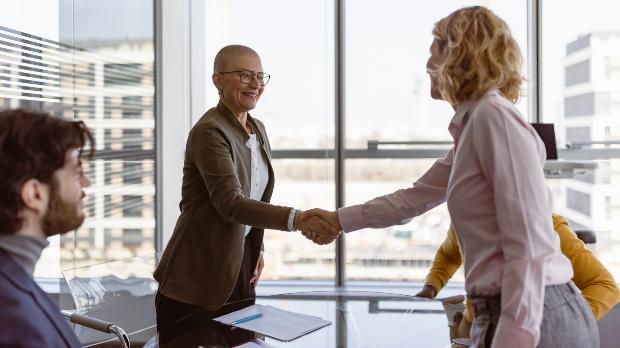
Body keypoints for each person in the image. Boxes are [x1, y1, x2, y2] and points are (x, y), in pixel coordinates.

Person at [304, 6, 599, 347]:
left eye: (433, 53)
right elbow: (411, 200)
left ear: (457, 55)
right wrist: (338, 220)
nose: (428, 66)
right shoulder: (474, 126)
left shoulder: (493, 119)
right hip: (510, 309)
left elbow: (529, 248)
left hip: (533, 315)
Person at [153, 45, 340, 330]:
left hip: (241, 263)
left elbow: (255, 194)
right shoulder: (210, 131)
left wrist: (257, 247)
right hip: (198, 271)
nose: (255, 84)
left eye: (259, 76)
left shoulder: (258, 128)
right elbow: (230, 203)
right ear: (217, 80)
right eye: (244, 75)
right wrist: (298, 219)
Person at [417, 214, 620, 340]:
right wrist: (432, 286)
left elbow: (605, 286)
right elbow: (448, 254)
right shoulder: (463, 222)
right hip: (474, 330)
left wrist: (563, 322)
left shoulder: (549, 227)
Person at [0, 109, 93, 347]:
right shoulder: (12, 317)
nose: (86, 183)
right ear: (35, 194)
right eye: (76, 171)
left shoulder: (16, 279)